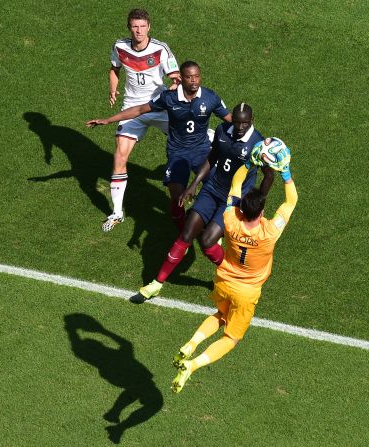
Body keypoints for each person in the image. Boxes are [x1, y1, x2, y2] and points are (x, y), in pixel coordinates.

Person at [170, 144, 297, 393]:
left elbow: (236, 186)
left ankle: (192, 343)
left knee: (219, 315)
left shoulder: (230, 220)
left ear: (241, 209)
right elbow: (291, 201)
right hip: (247, 292)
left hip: (224, 280)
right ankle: (193, 365)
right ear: (261, 213)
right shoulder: (270, 232)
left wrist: (249, 163)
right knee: (231, 338)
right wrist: (285, 172)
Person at [134, 103, 274, 303]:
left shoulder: (258, 144)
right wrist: (193, 184)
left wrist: (259, 198)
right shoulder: (223, 130)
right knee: (187, 233)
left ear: (252, 121)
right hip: (212, 189)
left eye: (244, 122)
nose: (240, 126)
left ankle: (234, 278)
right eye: (237, 121)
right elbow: (212, 157)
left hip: (233, 199)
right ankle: (156, 284)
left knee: (207, 241)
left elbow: (268, 175)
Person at [86, 60, 232, 231]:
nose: (194, 81)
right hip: (177, 154)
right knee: (177, 198)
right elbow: (139, 110)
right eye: (189, 77)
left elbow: (231, 119)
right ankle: (182, 231)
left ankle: (218, 226)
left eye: (197, 76)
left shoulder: (210, 97)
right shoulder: (168, 98)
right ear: (181, 79)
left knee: (219, 189)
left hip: (203, 152)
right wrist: (108, 120)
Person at [99, 8, 180, 232]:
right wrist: (113, 90)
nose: (139, 31)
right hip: (132, 109)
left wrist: (174, 87)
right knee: (119, 154)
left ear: (149, 27)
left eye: (143, 26)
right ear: (129, 28)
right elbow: (114, 69)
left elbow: (176, 77)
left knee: (188, 138)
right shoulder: (119, 47)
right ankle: (116, 213)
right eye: (135, 26)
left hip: (158, 106)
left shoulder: (160, 50)